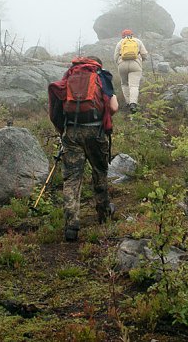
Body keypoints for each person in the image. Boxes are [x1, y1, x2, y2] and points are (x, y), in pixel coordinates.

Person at [48, 56, 119, 242]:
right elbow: (113, 107)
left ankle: (71, 224)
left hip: (71, 132)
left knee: (72, 178)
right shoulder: (101, 76)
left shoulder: (69, 76)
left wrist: (62, 130)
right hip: (95, 132)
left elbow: (56, 108)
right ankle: (103, 214)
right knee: (100, 172)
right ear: (97, 64)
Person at [114, 29, 148, 113]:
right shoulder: (138, 41)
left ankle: (128, 102)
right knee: (134, 86)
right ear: (132, 34)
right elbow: (144, 54)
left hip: (122, 65)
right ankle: (133, 104)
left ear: (122, 36)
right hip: (135, 64)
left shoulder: (120, 43)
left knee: (124, 84)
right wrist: (141, 60)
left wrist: (119, 63)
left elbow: (115, 57)